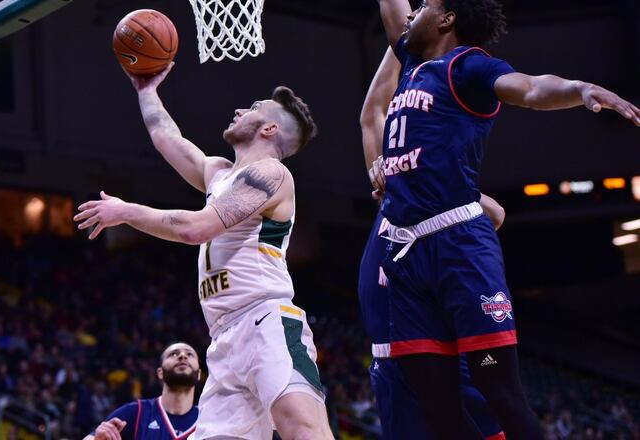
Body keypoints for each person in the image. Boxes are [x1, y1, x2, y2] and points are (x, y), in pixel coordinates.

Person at [373, 0, 639, 438]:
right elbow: (390, 10)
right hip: (405, 253)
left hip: (457, 241)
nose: (412, 12)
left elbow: (531, 88)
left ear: (447, 18)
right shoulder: (411, 64)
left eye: (424, 5)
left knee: (502, 395)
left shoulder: (468, 66)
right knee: (438, 411)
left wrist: (578, 89)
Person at [74, 62, 333, 440]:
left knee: (303, 430)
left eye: (252, 108)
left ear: (269, 128)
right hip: (223, 336)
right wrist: (147, 91)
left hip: (265, 320)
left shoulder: (271, 174)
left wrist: (127, 211)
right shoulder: (220, 173)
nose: (239, 111)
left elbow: (195, 229)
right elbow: (166, 137)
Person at [360, 47, 505, 440]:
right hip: (390, 364)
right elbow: (371, 112)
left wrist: (443, 205)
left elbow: (495, 214)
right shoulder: (388, 194)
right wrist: (400, 46)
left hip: (441, 356)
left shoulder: (431, 199)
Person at [84, 342, 201, 440]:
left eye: (189, 354)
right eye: (173, 354)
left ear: (199, 374)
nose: (182, 356)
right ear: (160, 373)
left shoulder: (207, 419)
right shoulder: (135, 412)